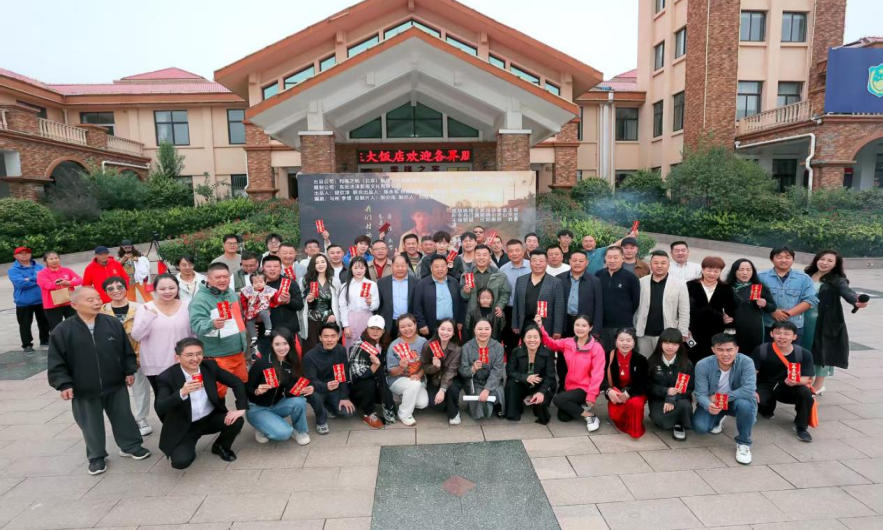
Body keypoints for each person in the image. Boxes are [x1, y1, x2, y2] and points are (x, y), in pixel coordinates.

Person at [47, 287, 151, 475]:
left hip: (115, 383)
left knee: (123, 416)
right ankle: (96, 456)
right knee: (90, 423)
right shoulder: (62, 331)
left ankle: (131, 445)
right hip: (83, 387)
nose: (96, 302)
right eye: (90, 300)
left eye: (97, 298)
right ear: (74, 305)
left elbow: (125, 350)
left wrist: (129, 370)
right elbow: (56, 361)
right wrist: (64, 384)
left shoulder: (111, 323)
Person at [155, 338, 247, 468]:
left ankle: (220, 446)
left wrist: (241, 407)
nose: (195, 358)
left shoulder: (209, 367)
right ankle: (188, 447)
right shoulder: (167, 377)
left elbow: (236, 382)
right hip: (185, 425)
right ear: (178, 357)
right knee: (181, 462)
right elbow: (160, 406)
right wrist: (181, 393)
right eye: (189, 355)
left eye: (199, 354)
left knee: (236, 420)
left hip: (210, 418)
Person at [805, 250, 868, 394]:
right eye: (822, 259)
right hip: (804, 319)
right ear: (816, 260)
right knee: (806, 350)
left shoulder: (837, 280)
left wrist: (856, 301)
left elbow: (847, 291)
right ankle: (805, 381)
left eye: (830, 261)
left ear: (835, 264)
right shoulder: (806, 275)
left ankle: (818, 386)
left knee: (822, 353)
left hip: (825, 322)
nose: (824, 263)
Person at [693, 333, 757, 465]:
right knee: (700, 427)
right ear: (713, 350)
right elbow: (700, 393)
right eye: (720, 350)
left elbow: (749, 389)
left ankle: (744, 443)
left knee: (745, 405)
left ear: (737, 349)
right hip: (713, 402)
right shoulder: (702, 364)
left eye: (729, 350)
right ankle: (719, 417)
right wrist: (708, 405)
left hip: (736, 401)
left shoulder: (746, 362)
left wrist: (722, 397)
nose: (725, 354)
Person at [99, 276, 151, 436]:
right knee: (117, 392)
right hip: (112, 358)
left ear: (126, 288)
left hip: (137, 355)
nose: (116, 291)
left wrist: (142, 355)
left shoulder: (140, 308)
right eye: (110, 289)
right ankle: (123, 421)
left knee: (140, 389)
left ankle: (141, 419)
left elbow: (147, 332)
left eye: (119, 287)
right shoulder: (101, 311)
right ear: (105, 292)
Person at [188, 262, 249, 397]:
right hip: (217, 356)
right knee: (218, 394)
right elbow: (196, 326)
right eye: (218, 277)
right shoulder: (200, 300)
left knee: (242, 387)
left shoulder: (231, 293)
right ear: (208, 279)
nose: (222, 280)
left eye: (225, 277)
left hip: (238, 352)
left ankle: (243, 409)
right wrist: (212, 324)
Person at [539, 313, 605, 432]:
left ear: (590, 328)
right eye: (577, 325)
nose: (580, 328)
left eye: (584, 326)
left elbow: (598, 374)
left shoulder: (596, 348)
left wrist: (591, 395)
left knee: (558, 399)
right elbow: (551, 343)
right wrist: (540, 327)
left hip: (586, 388)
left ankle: (590, 416)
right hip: (570, 386)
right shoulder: (568, 342)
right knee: (563, 417)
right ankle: (581, 406)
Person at [752, 321, 816, 442]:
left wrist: (795, 381)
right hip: (766, 385)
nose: (782, 337)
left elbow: (807, 379)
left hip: (788, 388)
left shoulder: (803, 354)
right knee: (758, 399)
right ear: (771, 334)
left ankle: (801, 427)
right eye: (778, 333)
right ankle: (766, 409)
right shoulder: (762, 350)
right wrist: (751, 390)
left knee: (805, 393)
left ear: (794, 336)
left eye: (786, 334)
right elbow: (752, 373)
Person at [247, 329, 312, 444]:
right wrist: (257, 391)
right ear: (271, 345)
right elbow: (246, 388)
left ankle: (300, 431)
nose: (282, 348)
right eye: (277, 344)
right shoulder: (261, 363)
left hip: (277, 405)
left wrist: (304, 389)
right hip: (257, 408)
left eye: (285, 343)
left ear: (290, 344)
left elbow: (289, 392)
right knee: (284, 433)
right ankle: (262, 427)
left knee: (300, 401)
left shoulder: (291, 363)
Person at [131, 274, 192, 395]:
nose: (167, 292)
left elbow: (193, 335)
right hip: (156, 364)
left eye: (171, 288)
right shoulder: (145, 308)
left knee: (185, 397)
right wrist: (149, 317)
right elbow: (136, 336)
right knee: (162, 399)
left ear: (178, 288)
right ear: (155, 289)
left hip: (183, 363)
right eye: (162, 289)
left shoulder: (187, 306)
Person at [302, 323, 356, 434]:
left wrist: (344, 397)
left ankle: (328, 406)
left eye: (333, 336)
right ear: (320, 338)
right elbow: (310, 380)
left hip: (334, 388)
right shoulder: (310, 356)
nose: (330, 340)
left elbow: (343, 374)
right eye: (326, 336)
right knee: (313, 394)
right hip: (317, 388)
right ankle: (321, 420)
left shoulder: (341, 350)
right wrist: (325, 386)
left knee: (347, 413)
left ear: (338, 337)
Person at [634, 250, 690, 356]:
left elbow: (684, 311)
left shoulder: (679, 284)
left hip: (668, 335)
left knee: (664, 362)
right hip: (644, 334)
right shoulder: (641, 282)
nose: (659, 266)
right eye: (656, 263)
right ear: (650, 264)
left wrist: (682, 332)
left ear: (669, 265)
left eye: (663, 263)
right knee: (644, 362)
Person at [758, 246, 818, 342]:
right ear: (772, 259)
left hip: (794, 327)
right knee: (766, 350)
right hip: (767, 325)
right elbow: (755, 298)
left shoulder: (804, 278)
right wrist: (773, 311)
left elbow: (810, 300)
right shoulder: (760, 277)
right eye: (779, 257)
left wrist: (787, 314)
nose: (783, 260)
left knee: (793, 351)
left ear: (793, 259)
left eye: (787, 257)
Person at [686, 256, 736, 364]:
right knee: (691, 359)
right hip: (692, 331)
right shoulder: (690, 285)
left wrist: (729, 319)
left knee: (712, 361)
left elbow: (731, 311)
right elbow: (682, 308)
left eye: (716, 271)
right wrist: (684, 328)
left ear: (720, 272)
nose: (712, 274)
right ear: (703, 269)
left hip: (716, 332)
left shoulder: (726, 288)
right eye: (709, 270)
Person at [647, 329, 694, 441]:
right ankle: (672, 420)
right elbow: (648, 385)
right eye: (667, 343)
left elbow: (689, 388)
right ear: (660, 343)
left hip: (680, 399)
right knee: (659, 420)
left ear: (679, 345)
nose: (670, 347)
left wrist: (672, 398)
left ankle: (679, 424)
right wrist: (666, 391)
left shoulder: (686, 363)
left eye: (674, 344)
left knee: (685, 406)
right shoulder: (652, 361)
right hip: (658, 399)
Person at [347, 315, 392, 428]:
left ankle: (385, 405)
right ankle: (368, 413)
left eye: (378, 329)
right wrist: (375, 366)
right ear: (367, 329)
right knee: (368, 382)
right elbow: (357, 374)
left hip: (377, 380)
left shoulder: (384, 344)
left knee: (383, 381)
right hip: (358, 386)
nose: (375, 332)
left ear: (383, 331)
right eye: (372, 328)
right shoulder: (360, 345)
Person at [726, 259, 777, 358]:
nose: (745, 273)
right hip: (732, 329)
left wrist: (765, 304)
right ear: (734, 271)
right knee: (730, 355)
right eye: (741, 270)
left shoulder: (759, 287)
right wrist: (722, 316)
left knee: (752, 356)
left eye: (748, 270)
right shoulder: (726, 287)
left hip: (754, 330)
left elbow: (772, 307)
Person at [603, 328, 648, 438]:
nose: (625, 343)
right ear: (616, 341)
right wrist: (608, 391)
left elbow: (644, 382)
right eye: (621, 340)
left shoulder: (641, 359)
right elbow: (600, 377)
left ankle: (635, 429)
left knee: (635, 404)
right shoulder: (607, 356)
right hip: (616, 393)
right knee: (615, 416)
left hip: (635, 393)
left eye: (628, 340)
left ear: (634, 342)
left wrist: (628, 393)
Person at [505, 326, 556, 424]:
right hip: (523, 383)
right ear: (523, 339)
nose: (532, 340)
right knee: (511, 383)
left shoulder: (548, 352)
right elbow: (510, 371)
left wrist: (541, 392)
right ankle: (514, 411)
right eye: (529, 337)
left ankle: (537, 399)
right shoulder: (516, 351)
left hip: (540, 384)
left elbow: (550, 376)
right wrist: (525, 377)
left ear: (540, 339)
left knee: (540, 412)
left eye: (535, 337)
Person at [512, 249, 565, 339]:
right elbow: (516, 303)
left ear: (547, 263)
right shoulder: (521, 280)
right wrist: (515, 324)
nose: (537, 263)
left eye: (541, 261)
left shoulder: (555, 282)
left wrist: (557, 330)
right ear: (530, 263)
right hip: (524, 322)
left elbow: (559, 308)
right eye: (534, 260)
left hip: (545, 324)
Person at [387, 314, 430, 425]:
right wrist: (401, 367)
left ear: (415, 325)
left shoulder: (423, 342)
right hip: (398, 379)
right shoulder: (394, 345)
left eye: (410, 325)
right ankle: (404, 414)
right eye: (402, 327)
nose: (407, 329)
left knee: (422, 403)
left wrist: (419, 375)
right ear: (399, 329)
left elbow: (426, 364)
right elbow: (391, 372)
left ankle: (404, 396)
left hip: (417, 378)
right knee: (414, 384)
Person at [595, 247, 640, 353]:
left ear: (622, 258)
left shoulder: (631, 277)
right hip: (603, 325)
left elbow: (636, 301)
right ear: (605, 258)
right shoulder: (599, 275)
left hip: (623, 325)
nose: (612, 260)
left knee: (623, 355)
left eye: (616, 257)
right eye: (609, 257)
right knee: (604, 355)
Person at [459, 319, 505, 420]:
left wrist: (487, 389)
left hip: (492, 381)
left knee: (496, 393)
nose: (483, 332)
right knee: (481, 412)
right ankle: (486, 405)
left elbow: (497, 370)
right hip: (474, 382)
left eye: (486, 329)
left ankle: (496, 404)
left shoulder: (498, 347)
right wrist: (473, 369)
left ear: (491, 330)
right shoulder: (466, 347)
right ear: (474, 330)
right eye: (480, 329)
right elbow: (462, 370)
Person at [420, 318, 464, 425]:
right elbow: (424, 367)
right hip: (434, 379)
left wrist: (442, 390)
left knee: (452, 389)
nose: (445, 332)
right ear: (437, 329)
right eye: (442, 329)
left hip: (452, 378)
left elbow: (451, 371)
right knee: (436, 405)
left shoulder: (457, 349)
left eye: (449, 330)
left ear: (453, 333)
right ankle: (450, 403)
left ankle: (454, 413)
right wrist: (435, 367)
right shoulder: (428, 345)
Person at [461, 244, 510, 334]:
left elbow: (505, 293)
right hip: (473, 317)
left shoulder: (499, 274)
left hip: (493, 318)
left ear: (489, 257)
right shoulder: (467, 274)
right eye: (478, 255)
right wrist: (465, 292)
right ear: (474, 257)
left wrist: (500, 306)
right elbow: (463, 297)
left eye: (484, 255)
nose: (481, 257)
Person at [414, 254, 465, 337]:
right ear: (431, 268)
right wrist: (421, 324)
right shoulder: (422, 284)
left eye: (442, 266)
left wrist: (460, 321)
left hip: (451, 325)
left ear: (447, 267)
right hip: (430, 326)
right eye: (436, 267)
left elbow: (461, 303)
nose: (440, 269)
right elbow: (417, 306)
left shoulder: (454, 282)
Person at [10, 246, 49, 352]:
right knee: (25, 325)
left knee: (44, 322)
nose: (24, 255)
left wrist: (29, 279)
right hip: (24, 302)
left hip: (41, 300)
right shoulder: (13, 270)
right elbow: (20, 284)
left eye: (27, 253)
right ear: (15, 256)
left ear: (30, 254)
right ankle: (27, 345)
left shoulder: (39, 267)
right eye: (21, 253)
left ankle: (45, 340)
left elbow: (46, 279)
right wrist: (37, 278)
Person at [300, 253, 341, 351]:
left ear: (327, 263)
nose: (320, 264)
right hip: (312, 320)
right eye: (317, 263)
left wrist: (334, 316)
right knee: (312, 349)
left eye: (323, 262)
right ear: (313, 265)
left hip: (329, 321)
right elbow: (300, 301)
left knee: (330, 348)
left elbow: (339, 302)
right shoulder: (305, 280)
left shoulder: (334, 281)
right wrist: (308, 300)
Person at [261, 255, 305, 345]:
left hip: (288, 330)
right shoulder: (258, 285)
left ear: (280, 268)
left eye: (276, 266)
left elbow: (300, 305)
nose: (272, 269)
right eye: (269, 266)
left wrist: (289, 301)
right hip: (265, 330)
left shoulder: (289, 283)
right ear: (263, 269)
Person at [37, 250, 82, 331]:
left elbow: (80, 280)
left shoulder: (67, 270)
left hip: (69, 303)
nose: (54, 260)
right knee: (56, 328)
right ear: (45, 261)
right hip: (52, 305)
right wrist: (58, 283)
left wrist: (69, 283)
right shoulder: (42, 273)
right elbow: (46, 285)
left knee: (74, 325)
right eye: (51, 259)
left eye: (56, 258)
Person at [499, 239, 531, 350]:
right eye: (511, 251)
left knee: (530, 341)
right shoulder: (503, 270)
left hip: (528, 310)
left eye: (517, 250)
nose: (514, 253)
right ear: (507, 253)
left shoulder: (532, 266)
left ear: (523, 251)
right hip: (510, 310)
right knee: (511, 343)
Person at [339, 256, 380, 343]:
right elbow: (342, 307)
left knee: (368, 344)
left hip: (367, 318)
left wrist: (370, 303)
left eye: (361, 268)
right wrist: (345, 325)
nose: (358, 271)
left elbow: (376, 305)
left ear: (366, 269)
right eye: (356, 268)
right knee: (351, 345)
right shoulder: (345, 286)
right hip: (350, 319)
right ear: (351, 269)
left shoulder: (372, 284)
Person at [377, 255, 416, 337]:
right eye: (397, 266)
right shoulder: (382, 283)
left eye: (403, 266)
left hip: (409, 324)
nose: (400, 268)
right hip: (389, 323)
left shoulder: (416, 282)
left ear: (407, 266)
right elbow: (379, 305)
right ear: (392, 266)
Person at [239, 271, 276, 352]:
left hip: (263, 307)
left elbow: (275, 299)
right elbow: (243, 300)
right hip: (252, 309)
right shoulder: (247, 290)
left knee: (264, 313)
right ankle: (254, 337)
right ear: (251, 283)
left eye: (261, 282)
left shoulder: (269, 290)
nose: (258, 284)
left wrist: (276, 302)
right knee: (249, 322)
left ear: (265, 282)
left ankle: (268, 328)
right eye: (255, 282)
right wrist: (246, 308)